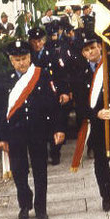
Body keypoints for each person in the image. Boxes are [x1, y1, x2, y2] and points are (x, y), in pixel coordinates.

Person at [0, 40, 65, 219]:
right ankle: (25, 205)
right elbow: (0, 110)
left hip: (38, 130)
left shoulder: (40, 75)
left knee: (40, 169)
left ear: (30, 57)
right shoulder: (4, 80)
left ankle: (41, 208)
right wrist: (1, 137)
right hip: (15, 132)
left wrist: (58, 128)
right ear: (11, 60)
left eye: (24, 58)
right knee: (19, 171)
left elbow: (53, 104)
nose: (21, 63)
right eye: (17, 59)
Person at [71, 36, 110, 214]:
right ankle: (106, 196)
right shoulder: (81, 74)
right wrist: (96, 113)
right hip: (98, 123)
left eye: (93, 47)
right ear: (83, 53)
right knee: (101, 161)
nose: (90, 52)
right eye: (86, 50)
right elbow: (81, 104)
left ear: (100, 47)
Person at [28, 27, 70, 165]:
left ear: (44, 41)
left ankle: (55, 152)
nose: (37, 44)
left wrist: (64, 92)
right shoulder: (28, 57)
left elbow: (61, 74)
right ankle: (42, 153)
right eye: (34, 41)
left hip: (52, 94)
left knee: (54, 123)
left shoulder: (52, 54)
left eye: (39, 41)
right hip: (35, 96)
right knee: (39, 125)